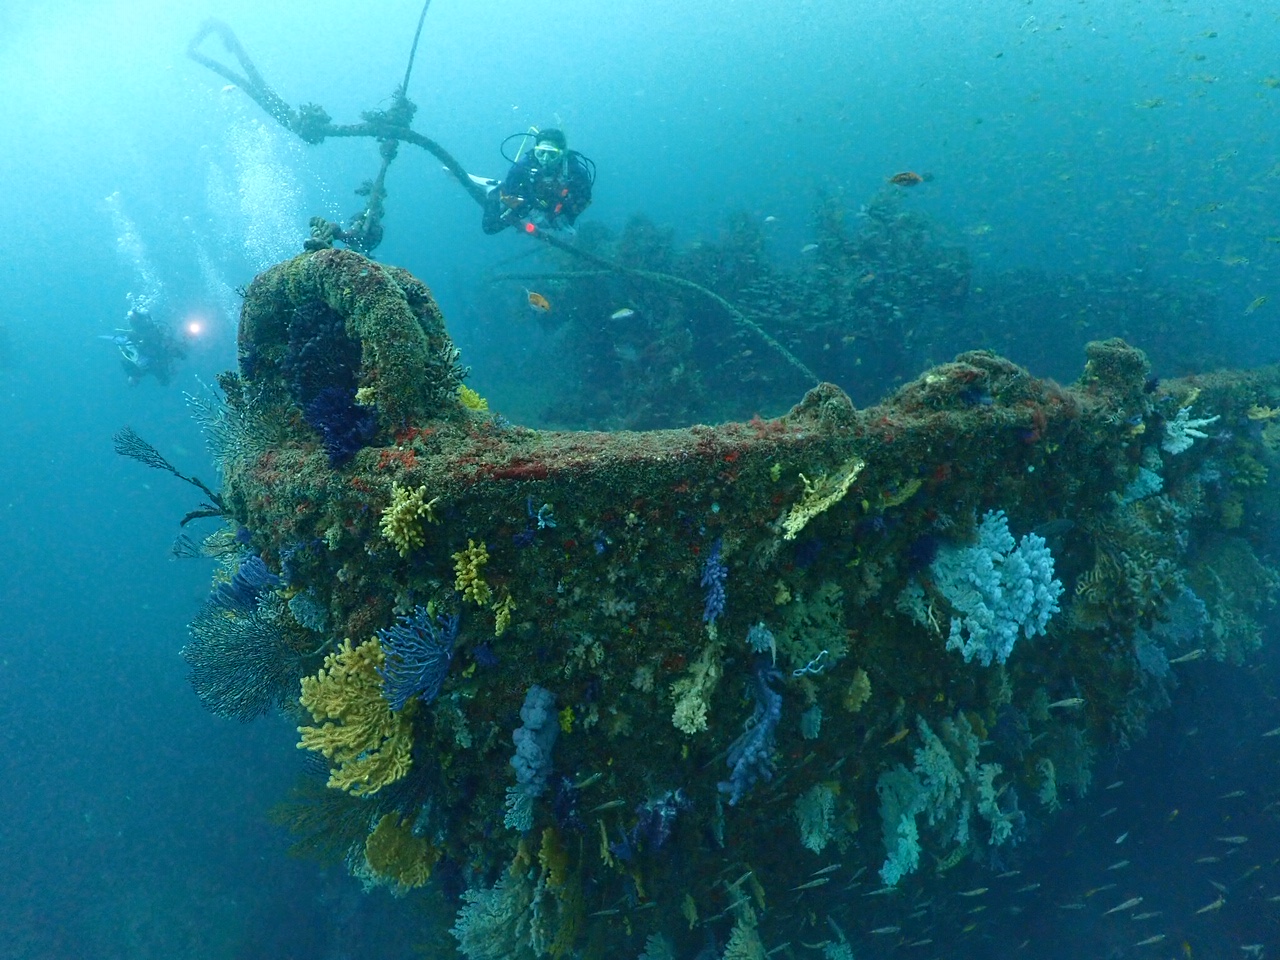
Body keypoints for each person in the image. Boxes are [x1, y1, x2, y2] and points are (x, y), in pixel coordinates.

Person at [482, 128, 593, 236]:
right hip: (529, 205)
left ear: (562, 154)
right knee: (490, 227)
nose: (545, 159)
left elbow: (585, 197)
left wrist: (567, 216)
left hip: (555, 208)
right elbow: (511, 189)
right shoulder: (522, 166)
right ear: (535, 150)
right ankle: (492, 191)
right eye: (540, 153)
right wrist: (528, 209)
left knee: (565, 224)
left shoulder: (575, 171)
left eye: (552, 154)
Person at [101, 306, 186, 385]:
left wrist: (179, 351)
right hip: (147, 362)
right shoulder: (132, 338)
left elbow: (170, 343)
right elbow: (127, 356)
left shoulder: (158, 331)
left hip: (158, 357)